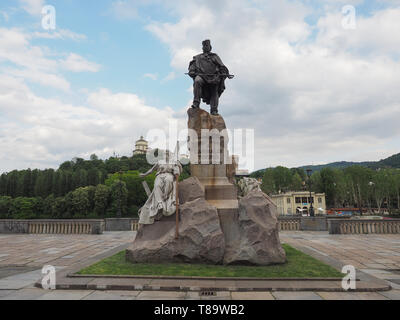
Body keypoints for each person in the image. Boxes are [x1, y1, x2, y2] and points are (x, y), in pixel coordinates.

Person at [188, 39, 232, 115]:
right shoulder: (197, 57)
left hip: (213, 77)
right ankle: (196, 103)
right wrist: (192, 70)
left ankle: (214, 109)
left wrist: (224, 72)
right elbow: (192, 66)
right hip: (202, 76)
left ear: (210, 47)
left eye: (207, 45)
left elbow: (222, 66)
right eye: (204, 46)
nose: (205, 47)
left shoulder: (214, 56)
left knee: (215, 88)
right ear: (202, 48)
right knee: (197, 80)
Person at [138, 156, 182, 225]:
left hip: (169, 175)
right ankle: (159, 203)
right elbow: (151, 170)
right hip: (160, 175)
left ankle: (165, 197)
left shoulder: (174, 162)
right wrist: (144, 174)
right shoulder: (160, 161)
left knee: (168, 181)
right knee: (157, 185)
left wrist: (177, 172)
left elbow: (178, 171)